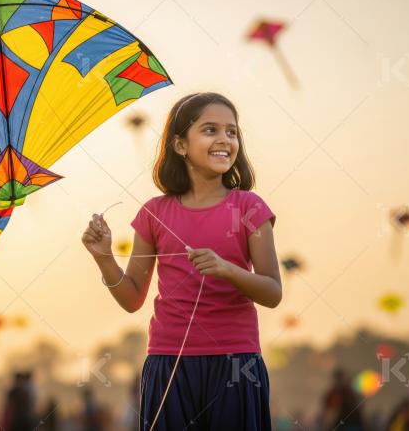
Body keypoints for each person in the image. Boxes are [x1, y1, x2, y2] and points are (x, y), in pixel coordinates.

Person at [81, 92, 281, 430]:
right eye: (210, 130)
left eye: (232, 132)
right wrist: (104, 259)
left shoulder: (249, 207)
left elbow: (272, 292)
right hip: (169, 362)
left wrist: (226, 269)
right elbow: (132, 298)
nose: (224, 140)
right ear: (180, 145)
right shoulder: (154, 213)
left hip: (235, 363)